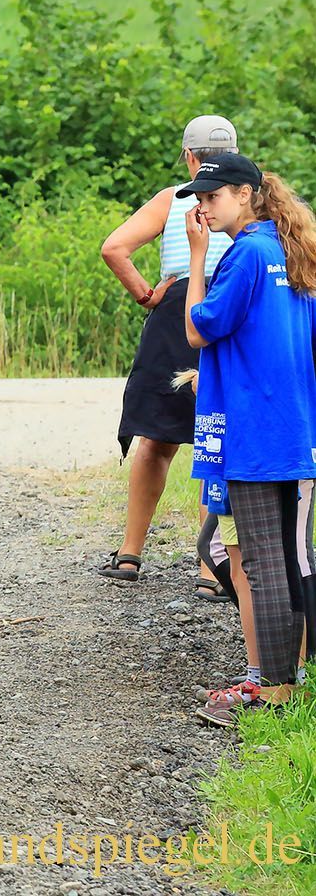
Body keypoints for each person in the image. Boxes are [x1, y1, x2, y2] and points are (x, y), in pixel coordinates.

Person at [180, 153, 316, 724]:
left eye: (211, 198)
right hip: (298, 430)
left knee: (263, 564)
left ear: (244, 193)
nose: (203, 209)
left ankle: (277, 691)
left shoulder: (247, 253)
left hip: (256, 435)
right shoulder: (295, 251)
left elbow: (196, 329)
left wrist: (195, 259)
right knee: (293, 558)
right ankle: (292, 683)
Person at [98, 115, 240, 586]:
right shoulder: (245, 201)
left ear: (189, 157)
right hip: (230, 311)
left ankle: (129, 554)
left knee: (157, 441)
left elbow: (114, 247)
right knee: (214, 441)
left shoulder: (173, 198)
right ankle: (210, 568)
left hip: (176, 312)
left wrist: (146, 293)